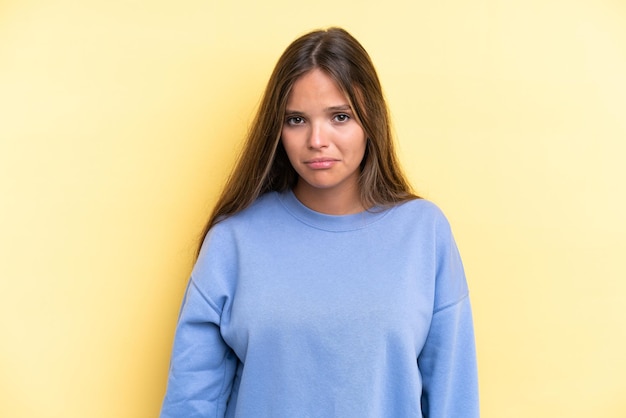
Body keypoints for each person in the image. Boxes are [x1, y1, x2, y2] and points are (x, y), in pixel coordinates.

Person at [160, 27, 479, 418]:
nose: (317, 140)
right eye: (296, 120)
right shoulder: (233, 241)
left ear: (370, 121)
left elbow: (452, 397)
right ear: (277, 130)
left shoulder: (424, 233)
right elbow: (190, 404)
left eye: (340, 117)